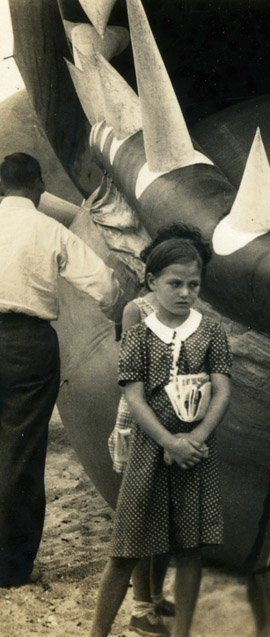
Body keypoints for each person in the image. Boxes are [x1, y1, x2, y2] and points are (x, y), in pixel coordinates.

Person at [90, 231, 232, 637]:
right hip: (150, 451)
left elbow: (222, 390)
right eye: (174, 283)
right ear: (152, 281)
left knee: (189, 548)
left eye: (193, 284)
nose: (185, 293)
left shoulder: (212, 331)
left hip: (196, 453)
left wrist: (196, 439)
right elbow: (134, 395)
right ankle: (98, 631)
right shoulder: (139, 330)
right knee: (126, 546)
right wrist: (168, 441)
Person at [0, 152, 121, 588]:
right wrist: (120, 311)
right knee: (21, 451)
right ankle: (9, 568)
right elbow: (106, 287)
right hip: (27, 344)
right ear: (37, 186)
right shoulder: (47, 227)